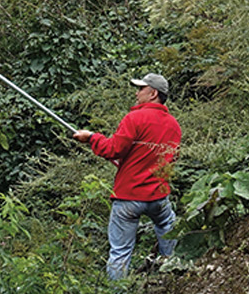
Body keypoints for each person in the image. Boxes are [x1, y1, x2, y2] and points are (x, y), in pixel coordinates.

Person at [72, 73, 183, 278]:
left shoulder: (134, 118)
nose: (136, 93)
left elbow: (113, 149)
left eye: (140, 89)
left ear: (153, 93)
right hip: (158, 196)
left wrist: (91, 138)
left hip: (128, 198)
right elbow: (168, 161)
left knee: (120, 252)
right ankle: (171, 277)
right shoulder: (174, 125)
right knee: (168, 227)